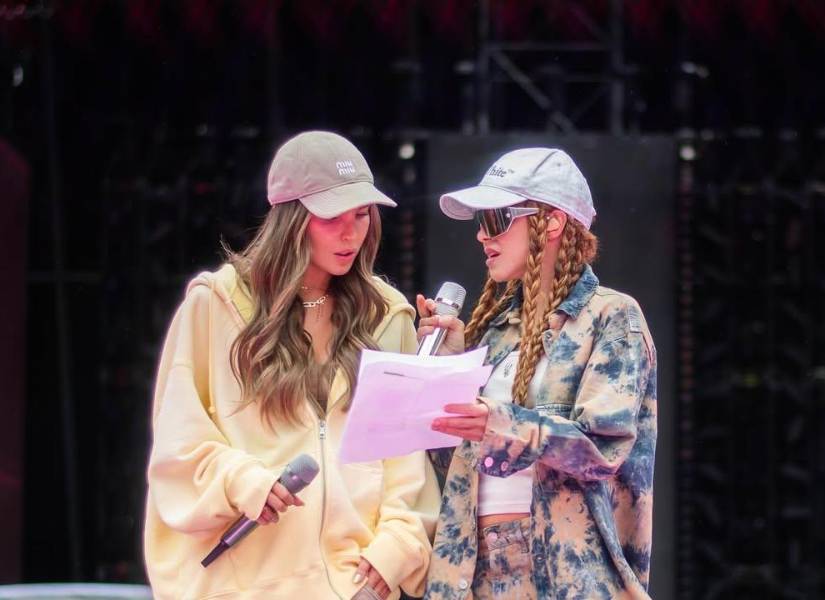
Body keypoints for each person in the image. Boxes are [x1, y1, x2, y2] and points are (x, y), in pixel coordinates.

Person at [144, 131, 440, 600]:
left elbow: (407, 464)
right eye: (331, 217)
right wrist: (244, 482)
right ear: (292, 219)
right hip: (238, 584)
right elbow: (178, 448)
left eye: (362, 214)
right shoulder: (215, 305)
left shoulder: (387, 316)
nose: (351, 232)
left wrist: (397, 549)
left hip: (352, 587)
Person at [417, 148, 657, 599]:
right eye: (480, 222)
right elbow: (453, 471)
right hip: (474, 568)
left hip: (564, 572)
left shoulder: (611, 316)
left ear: (551, 222)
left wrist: (501, 423)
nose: (481, 236)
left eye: (496, 220)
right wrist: (448, 373)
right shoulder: (493, 329)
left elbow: (602, 448)